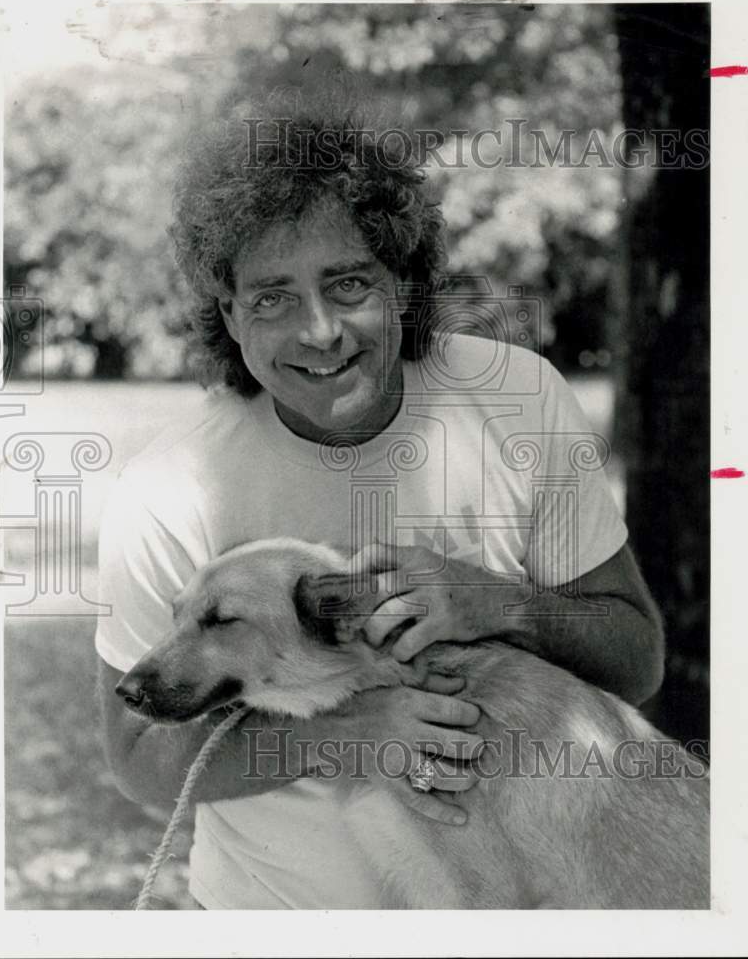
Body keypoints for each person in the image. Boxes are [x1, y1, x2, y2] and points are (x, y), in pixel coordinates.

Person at [96, 89, 665, 910]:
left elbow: (635, 660)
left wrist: (497, 602)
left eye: (349, 282)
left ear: (402, 282)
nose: (319, 331)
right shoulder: (166, 488)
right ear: (227, 310)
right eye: (271, 297)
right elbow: (137, 757)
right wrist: (344, 733)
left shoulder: (515, 397)